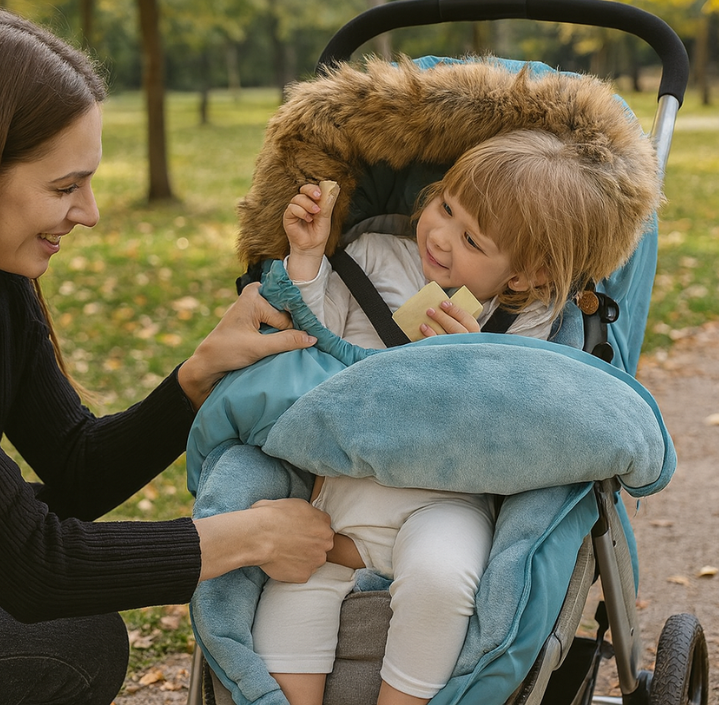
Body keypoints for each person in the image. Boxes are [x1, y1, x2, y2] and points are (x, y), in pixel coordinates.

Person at [0, 4, 333, 705]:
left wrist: (199, 374)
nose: (90, 212)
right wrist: (243, 536)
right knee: (71, 637)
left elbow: (73, 471)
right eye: (65, 187)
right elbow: (34, 566)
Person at [248, 128, 662, 705]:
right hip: (338, 496)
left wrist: (475, 369)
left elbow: (536, 418)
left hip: (448, 501)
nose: (439, 236)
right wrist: (308, 258)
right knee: (288, 591)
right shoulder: (371, 257)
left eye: (471, 239)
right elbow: (305, 347)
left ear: (523, 276)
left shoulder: (529, 319)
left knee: (443, 579)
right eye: (444, 206)